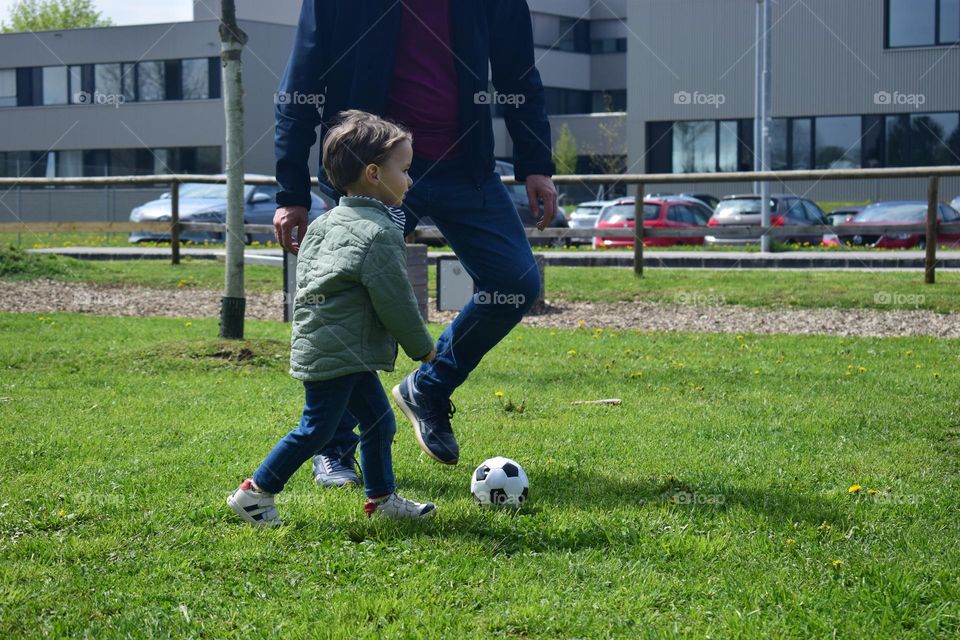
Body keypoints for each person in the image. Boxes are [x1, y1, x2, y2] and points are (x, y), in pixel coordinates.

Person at [273, 1, 558, 481]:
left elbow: (518, 75)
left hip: (466, 166)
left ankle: (429, 386)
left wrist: (537, 163)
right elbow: (300, 84)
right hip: (369, 171)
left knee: (516, 281)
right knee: (348, 298)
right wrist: (290, 192)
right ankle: (334, 447)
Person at [228, 111, 438, 526]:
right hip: (339, 353)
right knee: (317, 430)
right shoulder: (379, 233)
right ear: (375, 173)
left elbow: (310, 286)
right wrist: (423, 348)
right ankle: (254, 494)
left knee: (378, 421)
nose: (410, 180)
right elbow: (394, 300)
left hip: (333, 347)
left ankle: (381, 500)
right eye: (406, 169)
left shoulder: (324, 223)